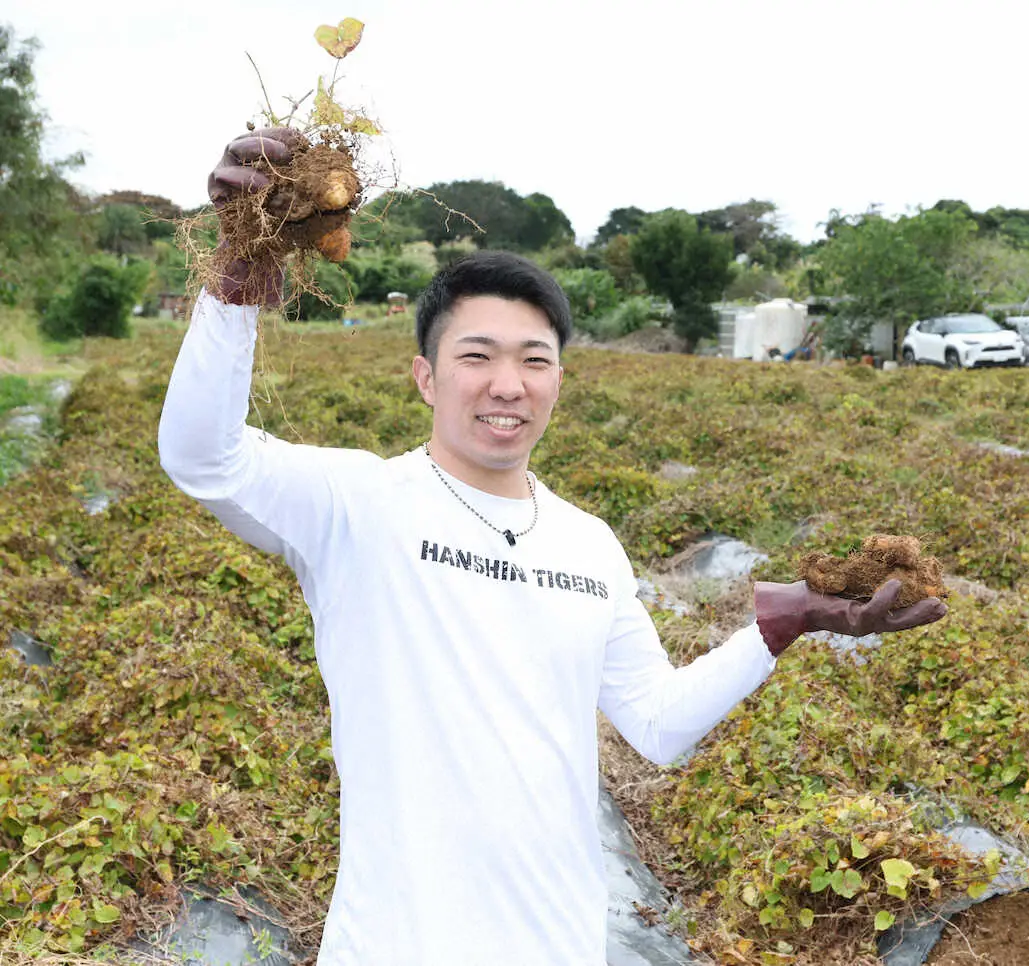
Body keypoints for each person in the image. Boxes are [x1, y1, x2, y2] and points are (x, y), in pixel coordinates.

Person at [158, 129, 948, 966]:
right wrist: (238, 271)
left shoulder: (589, 545)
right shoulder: (356, 504)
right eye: (476, 356)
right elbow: (203, 457)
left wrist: (784, 624)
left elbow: (657, 723)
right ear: (426, 377)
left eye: (535, 360)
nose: (508, 384)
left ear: (559, 380)